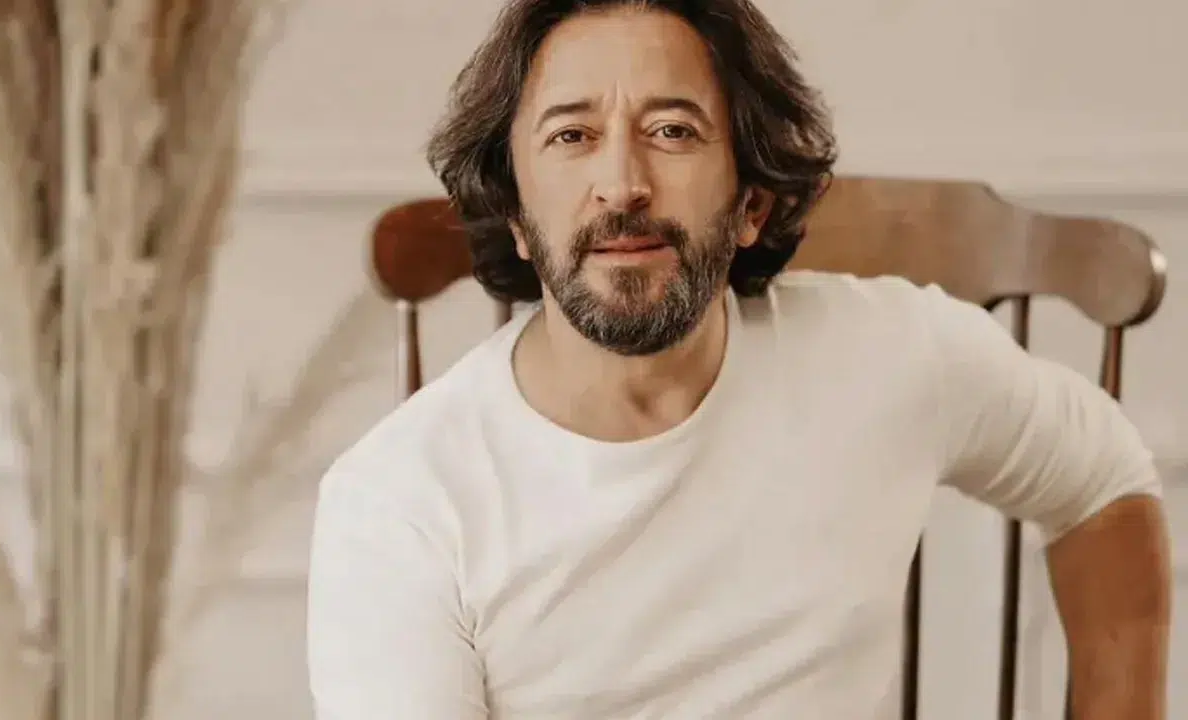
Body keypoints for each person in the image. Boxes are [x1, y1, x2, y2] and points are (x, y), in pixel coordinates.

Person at [306, 0, 1172, 717]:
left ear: (751, 201)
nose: (622, 183)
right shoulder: (400, 506)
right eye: (571, 136)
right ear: (519, 218)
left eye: (672, 130)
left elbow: (1102, 476)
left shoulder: (895, 356)